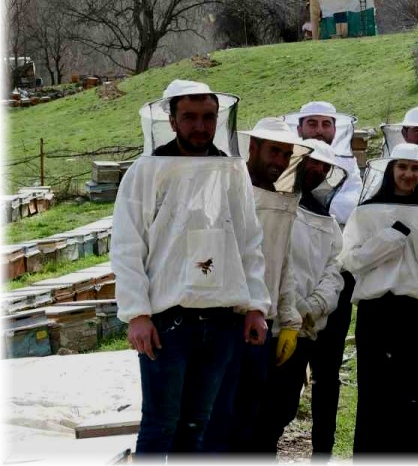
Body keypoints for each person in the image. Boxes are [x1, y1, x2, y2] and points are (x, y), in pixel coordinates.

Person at [111, 80, 270, 456]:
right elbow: (127, 246)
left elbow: (248, 241)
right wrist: (137, 313)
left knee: (198, 427)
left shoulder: (231, 170)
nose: (200, 126)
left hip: (221, 321)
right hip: (168, 322)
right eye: (190, 117)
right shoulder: (146, 171)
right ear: (171, 119)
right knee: (159, 425)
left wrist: (256, 306)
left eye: (208, 117)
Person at [206, 118, 309, 453]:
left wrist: (290, 321)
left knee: (255, 420)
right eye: (273, 151)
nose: (279, 161)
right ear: (253, 148)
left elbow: (283, 262)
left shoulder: (283, 198)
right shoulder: (226, 192)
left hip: (263, 327)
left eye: (286, 154)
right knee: (220, 422)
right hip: (224, 322)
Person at [340, 144, 418, 453]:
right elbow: (351, 260)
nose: (408, 174)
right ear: (390, 170)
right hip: (378, 311)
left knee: (416, 393)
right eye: (402, 167)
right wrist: (390, 238)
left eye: (415, 169)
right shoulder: (365, 212)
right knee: (375, 393)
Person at [255, 139, 349, 453]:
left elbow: (334, 269)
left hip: (307, 327)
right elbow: (276, 262)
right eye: (313, 163)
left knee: (284, 406)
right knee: (263, 411)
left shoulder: (329, 222)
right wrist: (295, 306)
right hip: (273, 323)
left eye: (324, 167)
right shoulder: (273, 204)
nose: (318, 170)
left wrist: (316, 306)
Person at [286, 100, 362, 458]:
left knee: (327, 373)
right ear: (300, 128)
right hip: (288, 286)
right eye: (312, 123)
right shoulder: (285, 165)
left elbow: (352, 208)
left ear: (336, 129)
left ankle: (323, 452)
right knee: (285, 373)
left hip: (336, 280)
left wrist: (321, 203)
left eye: (326, 124)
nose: (319, 129)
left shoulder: (350, 167)